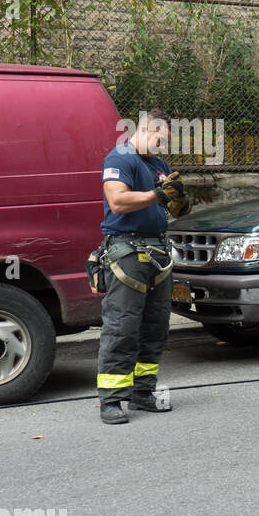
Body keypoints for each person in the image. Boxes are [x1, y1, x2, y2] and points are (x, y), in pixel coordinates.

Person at [96, 111, 189, 424]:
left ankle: (142, 392)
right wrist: (158, 194)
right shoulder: (121, 157)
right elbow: (118, 201)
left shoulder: (158, 165)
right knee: (123, 326)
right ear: (146, 130)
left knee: (155, 327)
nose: (162, 148)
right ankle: (111, 400)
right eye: (160, 140)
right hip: (127, 253)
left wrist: (178, 201)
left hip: (158, 252)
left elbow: (170, 204)